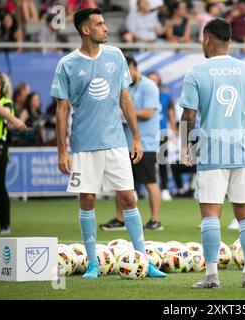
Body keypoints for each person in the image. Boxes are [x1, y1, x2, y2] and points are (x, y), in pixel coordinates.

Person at [50, 8, 165, 279]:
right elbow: (62, 110)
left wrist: (136, 137)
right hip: (83, 145)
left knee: (128, 197)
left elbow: (126, 100)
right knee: (87, 199)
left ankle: (144, 261)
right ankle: (92, 263)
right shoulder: (67, 64)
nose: (106, 28)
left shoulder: (115, 56)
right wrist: (62, 151)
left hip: (115, 142)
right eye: (100, 24)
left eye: (104, 23)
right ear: (85, 30)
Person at [180, 18, 245, 289]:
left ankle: (212, 276)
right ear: (229, 40)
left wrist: (187, 147)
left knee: (210, 214)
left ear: (206, 38)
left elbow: (189, 115)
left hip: (211, 153)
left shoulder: (196, 72)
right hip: (240, 151)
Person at [100, 56, 163, 231]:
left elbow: (149, 113)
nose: (126, 76)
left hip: (146, 143)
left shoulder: (149, 86)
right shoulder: (124, 86)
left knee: (150, 182)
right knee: (121, 183)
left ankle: (155, 220)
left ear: (135, 68)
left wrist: (125, 113)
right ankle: (120, 219)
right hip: (124, 143)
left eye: (128, 72)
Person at [0, 70, 27, 235]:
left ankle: (5, 226)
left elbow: (7, 118)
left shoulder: (5, 102)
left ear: (2, 87)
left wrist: (14, 122)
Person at [147, 71, 177, 201]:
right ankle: (141, 189)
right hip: (146, 134)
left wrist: (174, 131)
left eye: (155, 79)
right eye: (151, 79)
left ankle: (164, 189)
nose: (153, 82)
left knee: (162, 162)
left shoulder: (165, 96)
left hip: (162, 132)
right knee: (145, 163)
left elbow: (171, 114)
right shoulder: (143, 95)